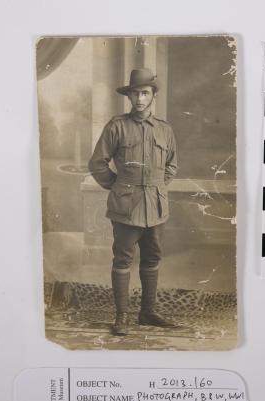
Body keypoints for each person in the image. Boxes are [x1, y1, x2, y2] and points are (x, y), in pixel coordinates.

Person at [88, 68, 178, 335]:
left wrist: (158, 188)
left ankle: (147, 313)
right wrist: (117, 187)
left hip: (157, 207)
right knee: (123, 260)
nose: (139, 99)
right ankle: (122, 317)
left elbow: (172, 165)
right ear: (129, 96)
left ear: (152, 96)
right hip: (126, 207)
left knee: (152, 258)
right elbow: (97, 163)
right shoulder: (117, 127)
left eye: (144, 93)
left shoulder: (165, 130)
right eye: (135, 94)